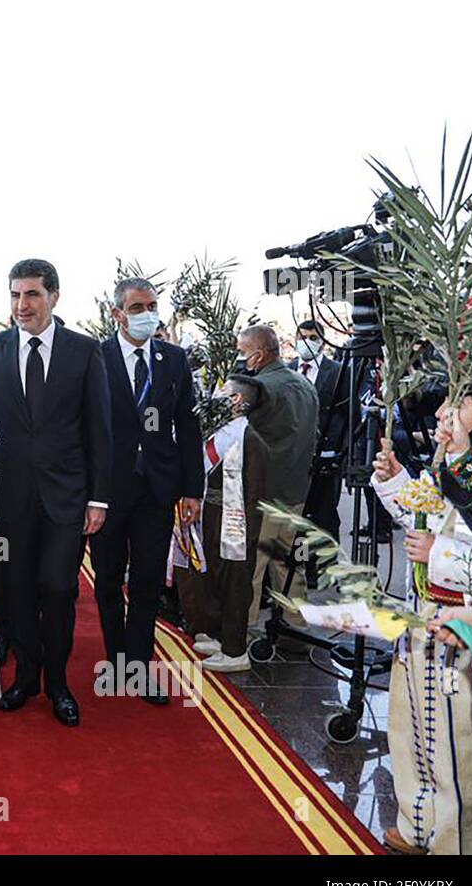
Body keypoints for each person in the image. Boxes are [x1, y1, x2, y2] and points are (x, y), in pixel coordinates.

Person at [0, 259, 110, 727]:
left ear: (54, 296)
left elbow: (100, 429)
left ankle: (58, 684)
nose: (21, 305)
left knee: (57, 587)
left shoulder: (84, 351)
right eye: (14, 295)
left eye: (31, 295)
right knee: (15, 591)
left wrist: (98, 498)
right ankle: (26, 678)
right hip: (9, 499)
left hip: (66, 499)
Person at [371, 382, 472, 855]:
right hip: (426, 613)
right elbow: (422, 514)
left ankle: (462, 844)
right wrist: (396, 479)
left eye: (460, 404)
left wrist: (440, 554)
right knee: (412, 730)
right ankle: (419, 825)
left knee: (461, 749)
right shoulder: (449, 459)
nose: (444, 411)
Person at [92, 277, 202, 700]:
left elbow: (188, 426)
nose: (147, 315)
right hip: (108, 490)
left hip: (157, 489)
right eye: (137, 308)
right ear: (117, 313)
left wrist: (192, 487)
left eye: (152, 306)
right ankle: (114, 660)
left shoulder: (173, 358)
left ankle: (136, 669)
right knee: (106, 582)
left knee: (147, 581)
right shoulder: (95, 358)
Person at [225, 324, 318, 635]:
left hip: (264, 491)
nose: (240, 358)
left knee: (253, 563)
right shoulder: (304, 384)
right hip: (296, 488)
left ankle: (243, 628)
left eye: (242, 352)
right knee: (289, 563)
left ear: (259, 354)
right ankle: (297, 627)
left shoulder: (261, 387)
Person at [179, 414, 269, 670]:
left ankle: (234, 650)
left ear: (238, 401)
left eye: (224, 392)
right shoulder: (222, 435)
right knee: (216, 578)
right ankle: (221, 637)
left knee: (235, 585)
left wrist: (248, 533)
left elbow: (254, 495)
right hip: (215, 516)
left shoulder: (251, 440)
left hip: (237, 525)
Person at [289, 320, 345, 586]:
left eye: (313, 337)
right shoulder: (288, 370)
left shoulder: (337, 371)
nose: (307, 341)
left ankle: (324, 569)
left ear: (322, 340)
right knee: (298, 517)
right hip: (293, 458)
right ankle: (301, 566)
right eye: (303, 336)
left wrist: (338, 450)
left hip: (326, 456)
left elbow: (348, 415)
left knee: (324, 516)